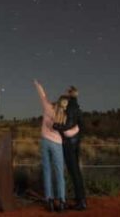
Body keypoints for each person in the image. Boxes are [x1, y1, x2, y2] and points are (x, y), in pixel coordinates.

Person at [33, 79, 67, 212]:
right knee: (59, 172)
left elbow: (42, 95)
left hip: (45, 142)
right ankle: (62, 201)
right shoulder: (63, 116)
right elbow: (67, 131)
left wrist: (38, 85)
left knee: (47, 171)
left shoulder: (47, 107)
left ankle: (50, 201)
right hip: (57, 144)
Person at [54, 86, 86, 211]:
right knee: (76, 171)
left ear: (69, 93)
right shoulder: (77, 107)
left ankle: (81, 201)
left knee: (74, 172)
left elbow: (67, 125)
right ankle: (81, 199)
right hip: (76, 142)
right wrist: (77, 135)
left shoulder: (69, 107)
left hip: (69, 144)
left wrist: (57, 127)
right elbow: (82, 125)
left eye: (66, 91)